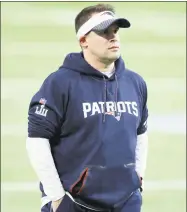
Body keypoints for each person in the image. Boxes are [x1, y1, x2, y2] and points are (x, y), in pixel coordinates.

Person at [26, 3, 148, 212]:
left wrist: (137, 179)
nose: (113, 37)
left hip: (126, 202)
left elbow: (141, 134)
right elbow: (37, 141)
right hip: (74, 204)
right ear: (83, 40)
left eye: (115, 31)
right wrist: (56, 197)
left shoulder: (135, 82)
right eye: (104, 32)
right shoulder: (60, 83)